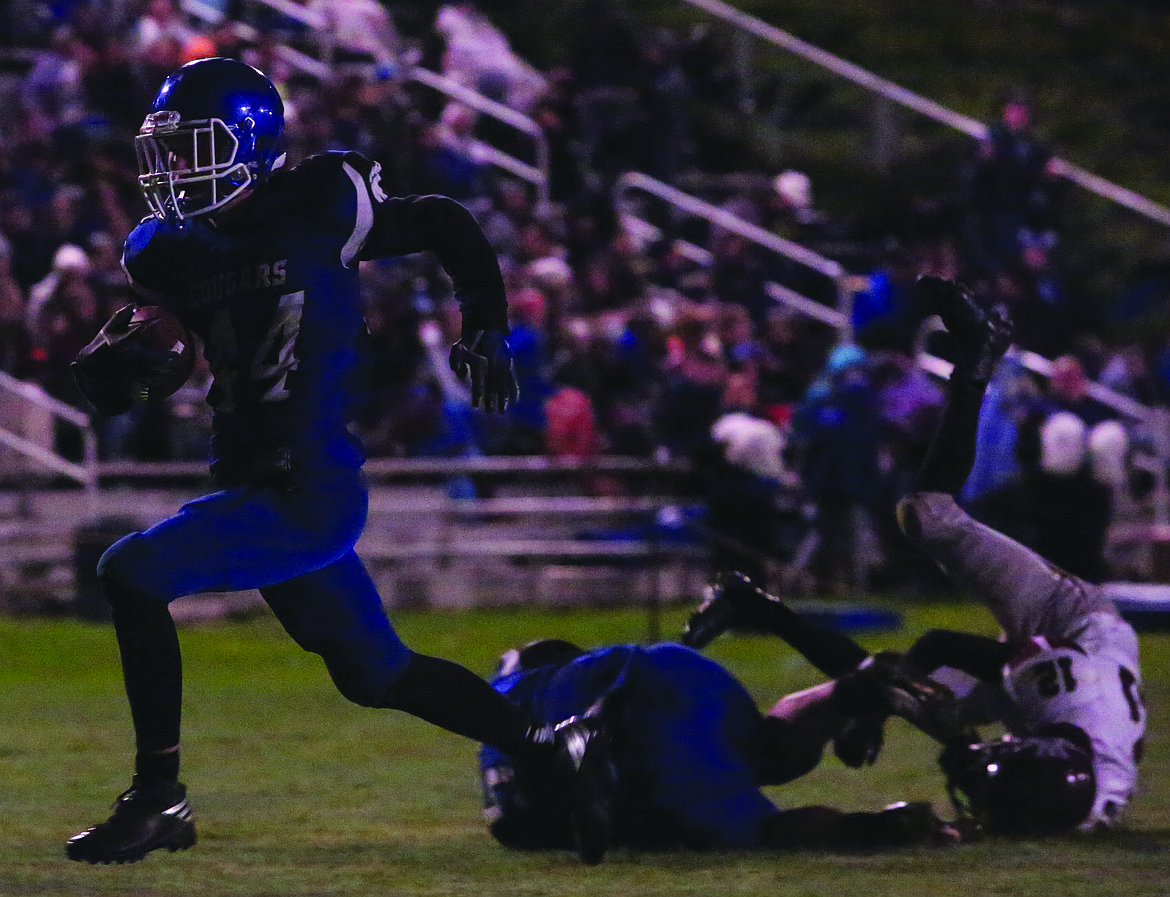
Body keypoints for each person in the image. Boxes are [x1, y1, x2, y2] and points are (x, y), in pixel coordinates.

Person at [65, 57, 607, 866]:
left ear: (248, 143)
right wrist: (127, 371)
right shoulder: (167, 249)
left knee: (131, 572)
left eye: (192, 146)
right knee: (378, 673)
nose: (173, 166)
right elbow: (169, 345)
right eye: (166, 149)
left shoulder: (318, 202)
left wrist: (485, 321)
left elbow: (443, 221)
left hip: (306, 488)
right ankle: (552, 744)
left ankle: (157, 796)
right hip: (251, 481)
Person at [683, 275, 1146, 836]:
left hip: (1054, 697)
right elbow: (940, 645)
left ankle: (753, 605)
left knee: (892, 689)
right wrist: (872, 720)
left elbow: (1055, 795)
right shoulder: (1073, 692)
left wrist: (884, 707)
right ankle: (975, 360)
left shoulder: (1085, 801)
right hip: (1073, 624)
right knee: (929, 517)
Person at [479, 637, 961, 855]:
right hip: (670, 661)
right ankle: (856, 689)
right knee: (769, 748)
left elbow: (517, 824)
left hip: (628, 710)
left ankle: (892, 828)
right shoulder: (558, 676)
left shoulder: (505, 709)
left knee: (759, 834)